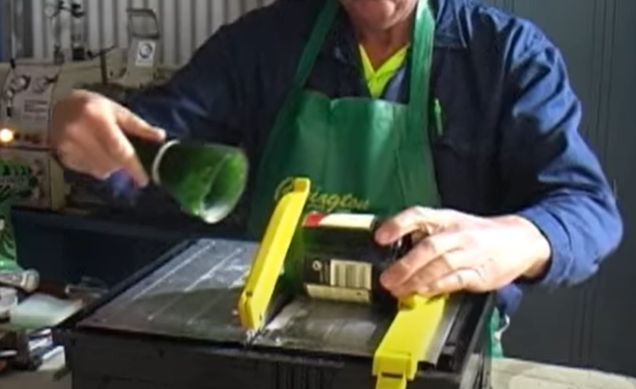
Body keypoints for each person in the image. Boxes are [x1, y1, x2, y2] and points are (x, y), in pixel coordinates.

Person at [50, 0, 622, 321]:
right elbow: (150, 151)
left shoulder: (505, 56)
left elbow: (588, 208)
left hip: (431, 360)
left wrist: (516, 239)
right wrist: (86, 135)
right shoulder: (261, 46)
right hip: (269, 342)